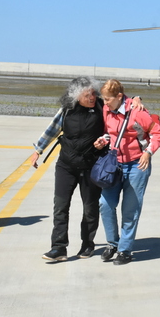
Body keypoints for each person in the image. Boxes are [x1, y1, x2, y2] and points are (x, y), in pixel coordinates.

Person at [32, 77, 106, 262]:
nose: (92, 97)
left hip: (91, 166)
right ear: (76, 95)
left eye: (94, 93)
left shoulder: (101, 108)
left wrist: (136, 98)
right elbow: (53, 129)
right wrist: (38, 150)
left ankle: (87, 244)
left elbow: (115, 120)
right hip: (66, 166)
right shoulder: (67, 109)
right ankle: (58, 248)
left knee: (90, 208)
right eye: (87, 94)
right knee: (60, 207)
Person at [94, 79, 160, 266]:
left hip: (137, 166)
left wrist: (148, 153)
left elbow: (157, 133)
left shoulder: (138, 113)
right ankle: (112, 243)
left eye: (108, 99)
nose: (105, 102)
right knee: (105, 204)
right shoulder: (106, 109)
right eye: (104, 99)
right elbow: (110, 132)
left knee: (130, 209)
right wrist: (103, 140)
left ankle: (124, 250)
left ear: (119, 96)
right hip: (115, 165)